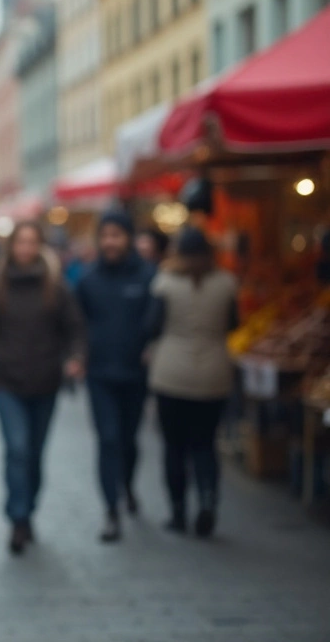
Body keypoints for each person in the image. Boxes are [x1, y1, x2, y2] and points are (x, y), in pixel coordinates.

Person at [0, 222, 85, 555]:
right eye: (20, 242)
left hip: (46, 380)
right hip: (8, 382)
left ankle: (29, 506)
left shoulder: (56, 287)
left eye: (31, 242)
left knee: (35, 454)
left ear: (39, 246)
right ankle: (18, 518)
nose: (25, 248)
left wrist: (76, 357)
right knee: (17, 449)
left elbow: (74, 328)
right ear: (11, 247)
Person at [146, 227, 238, 538]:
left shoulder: (165, 282)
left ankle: (178, 511)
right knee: (205, 444)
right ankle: (208, 500)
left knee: (174, 446)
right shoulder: (226, 283)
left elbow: (152, 325)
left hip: (172, 372)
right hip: (214, 372)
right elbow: (234, 324)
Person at [76, 209, 157, 543]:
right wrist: (76, 356)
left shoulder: (148, 276)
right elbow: (76, 324)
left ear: (128, 238)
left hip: (136, 374)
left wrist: (152, 346)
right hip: (99, 375)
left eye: (117, 235)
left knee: (129, 440)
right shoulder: (87, 280)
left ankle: (128, 484)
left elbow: (158, 320)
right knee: (107, 440)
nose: (110, 242)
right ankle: (111, 510)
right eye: (105, 235)